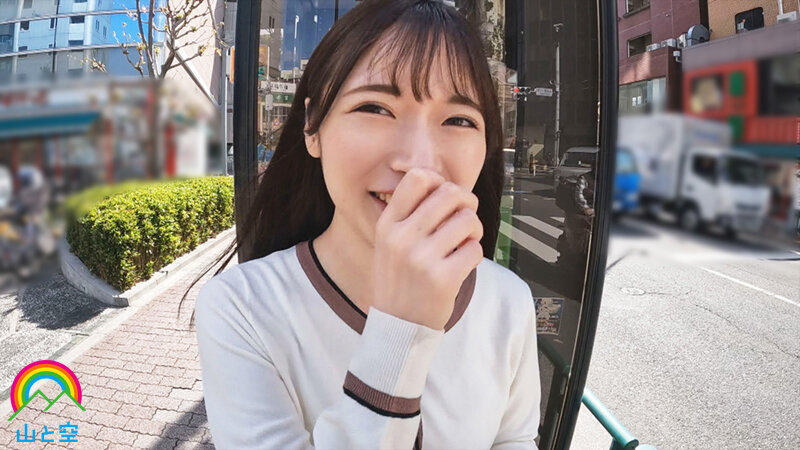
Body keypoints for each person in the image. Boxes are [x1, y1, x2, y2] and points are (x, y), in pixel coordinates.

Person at [193, 1, 541, 448]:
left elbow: (515, 440)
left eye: (458, 120)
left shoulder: (508, 300)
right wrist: (402, 329)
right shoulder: (242, 308)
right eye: (375, 108)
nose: (419, 163)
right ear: (312, 128)